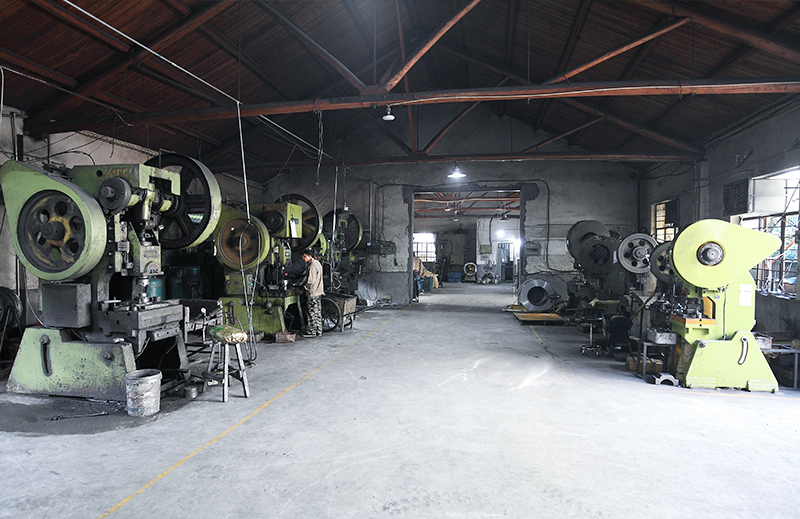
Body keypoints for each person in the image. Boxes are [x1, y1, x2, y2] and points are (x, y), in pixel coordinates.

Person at [300, 249, 324, 337]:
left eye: (303, 258)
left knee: (311, 312)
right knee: (317, 312)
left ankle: (311, 332)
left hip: (313, 292)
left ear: (305, 256)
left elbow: (311, 281)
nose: (303, 260)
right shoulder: (317, 263)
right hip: (319, 291)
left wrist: (304, 288)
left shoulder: (312, 266)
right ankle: (319, 330)